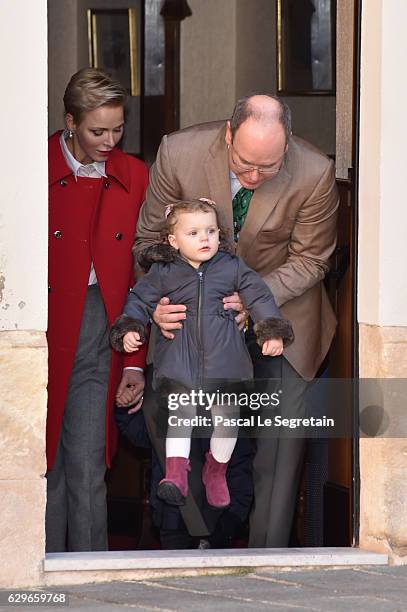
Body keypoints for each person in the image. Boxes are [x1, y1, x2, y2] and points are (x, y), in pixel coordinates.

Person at [133, 94, 339, 547]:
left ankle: (265, 562)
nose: (253, 177)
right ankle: (186, 551)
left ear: (287, 147)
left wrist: (250, 300)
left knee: (276, 449)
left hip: (282, 315)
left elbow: (311, 261)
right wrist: (159, 305)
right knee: (182, 433)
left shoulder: (314, 170)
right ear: (229, 134)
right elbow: (148, 241)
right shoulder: (178, 152)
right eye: (245, 163)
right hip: (193, 317)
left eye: (268, 167)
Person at [111, 199, 294, 508]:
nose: (205, 239)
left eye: (211, 231)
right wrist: (131, 328)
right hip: (179, 362)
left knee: (227, 418)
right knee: (180, 416)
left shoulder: (232, 267)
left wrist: (271, 330)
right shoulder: (163, 272)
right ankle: (176, 474)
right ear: (173, 241)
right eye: (193, 233)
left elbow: (259, 294)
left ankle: (216, 469)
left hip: (226, 363)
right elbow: (140, 300)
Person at [46, 68, 148, 552]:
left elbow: (142, 280)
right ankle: (34, 576)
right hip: (38, 322)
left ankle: (89, 581)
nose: (110, 140)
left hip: (99, 325)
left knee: (87, 462)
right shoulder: (30, 168)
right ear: (70, 122)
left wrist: (133, 359)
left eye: (118, 129)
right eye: (97, 130)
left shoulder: (135, 175)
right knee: (42, 463)